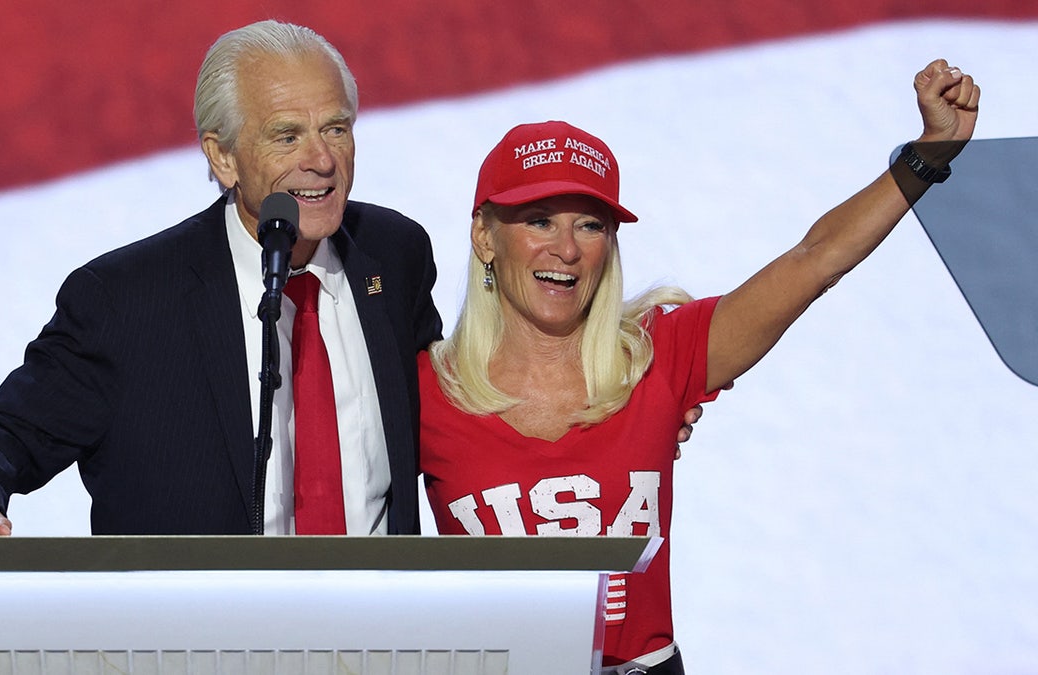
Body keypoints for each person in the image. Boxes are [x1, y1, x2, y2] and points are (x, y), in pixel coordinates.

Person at [419, 60, 978, 674]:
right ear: (484, 236)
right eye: (538, 221)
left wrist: (928, 155)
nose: (568, 249)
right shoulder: (422, 390)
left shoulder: (660, 356)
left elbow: (814, 261)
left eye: (590, 224)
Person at [0, 19, 445, 537]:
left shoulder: (392, 258)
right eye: (286, 135)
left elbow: (453, 415)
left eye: (336, 128)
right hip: (195, 639)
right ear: (222, 158)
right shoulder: (126, 301)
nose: (322, 159)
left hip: (377, 635)